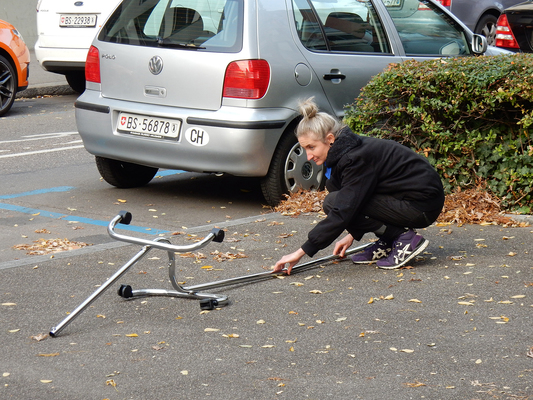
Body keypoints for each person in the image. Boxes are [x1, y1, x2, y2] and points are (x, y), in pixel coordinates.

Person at [273, 98, 445, 274]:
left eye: (311, 147)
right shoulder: (342, 153)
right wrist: (353, 234)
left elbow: (345, 208)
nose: (308, 156)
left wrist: (301, 252)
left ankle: (403, 238)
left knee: (334, 202)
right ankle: (389, 239)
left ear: (330, 139)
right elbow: (356, 198)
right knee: (336, 196)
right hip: (403, 199)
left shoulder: (355, 158)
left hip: (422, 206)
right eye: (305, 149)